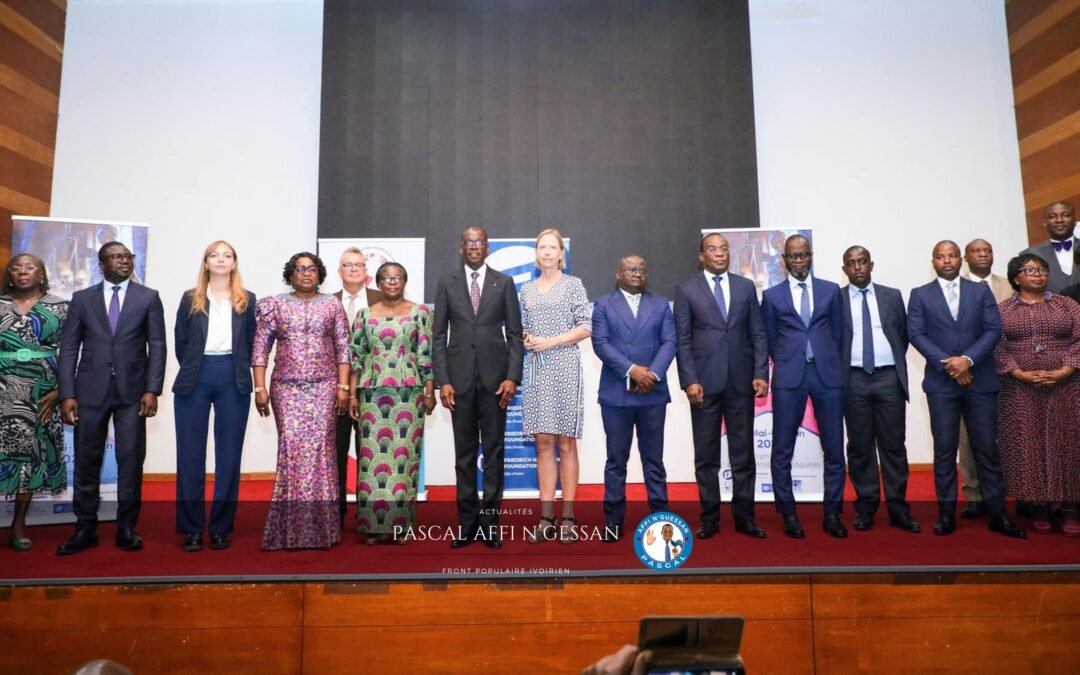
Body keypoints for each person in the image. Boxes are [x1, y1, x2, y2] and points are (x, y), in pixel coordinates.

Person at [907, 240, 1025, 539]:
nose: (946, 261)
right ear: (933, 262)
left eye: (951, 256)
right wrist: (950, 365)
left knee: (987, 450)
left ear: (960, 260)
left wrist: (967, 360)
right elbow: (916, 333)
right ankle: (946, 514)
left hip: (980, 381)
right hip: (941, 385)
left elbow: (992, 329)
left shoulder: (980, 291)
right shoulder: (920, 294)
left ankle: (998, 515)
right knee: (945, 452)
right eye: (940, 256)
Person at [57, 242, 166, 555]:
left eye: (128, 257)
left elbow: (157, 345)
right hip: (89, 391)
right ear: (102, 264)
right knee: (86, 462)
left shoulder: (148, 297)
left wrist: (152, 389)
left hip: (133, 393)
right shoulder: (82, 299)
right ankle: (85, 529)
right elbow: (69, 348)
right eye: (116, 257)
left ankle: (127, 528)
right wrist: (67, 393)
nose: (124, 261)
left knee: (130, 461)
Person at [252, 252, 351, 550]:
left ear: (320, 274)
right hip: (286, 388)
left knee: (322, 450)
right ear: (290, 275)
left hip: (325, 387)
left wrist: (343, 386)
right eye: (300, 269)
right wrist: (259, 387)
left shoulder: (332, 305)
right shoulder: (274, 305)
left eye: (312, 269)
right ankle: (290, 528)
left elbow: (343, 347)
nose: (306, 273)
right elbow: (260, 348)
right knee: (291, 449)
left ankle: (322, 529)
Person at [673, 234, 769, 540]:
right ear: (702, 256)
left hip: (741, 382)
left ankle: (745, 518)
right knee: (706, 457)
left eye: (724, 249)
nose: (719, 254)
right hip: (704, 385)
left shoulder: (745, 287)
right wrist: (689, 380)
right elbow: (683, 340)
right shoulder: (687, 290)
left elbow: (758, 333)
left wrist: (761, 372)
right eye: (712, 249)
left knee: (744, 455)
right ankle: (710, 518)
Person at [433, 227, 523, 549]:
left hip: (496, 383)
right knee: (464, 456)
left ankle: (490, 525)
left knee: (495, 452)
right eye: (469, 242)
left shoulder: (504, 282)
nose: (474, 247)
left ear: (487, 248)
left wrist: (512, 377)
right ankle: (468, 525)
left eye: (479, 242)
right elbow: (438, 336)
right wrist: (443, 380)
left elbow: (515, 334)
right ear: (462, 248)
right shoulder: (447, 283)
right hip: (458, 383)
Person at [172, 241, 257, 552]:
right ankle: (192, 528)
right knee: (190, 457)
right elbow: (181, 342)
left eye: (227, 255)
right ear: (205, 263)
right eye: (214, 255)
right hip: (195, 378)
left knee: (229, 457)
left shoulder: (247, 299)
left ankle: (221, 528)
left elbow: (251, 341)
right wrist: (195, 366)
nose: (220, 259)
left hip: (233, 379)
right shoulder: (189, 298)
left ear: (234, 263)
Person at [761, 235, 847, 539]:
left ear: (811, 256)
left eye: (803, 255)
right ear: (784, 260)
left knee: (834, 449)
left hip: (827, 377)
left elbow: (839, 334)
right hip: (789, 378)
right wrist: (787, 360)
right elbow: (770, 339)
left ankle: (832, 514)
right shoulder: (772, 296)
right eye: (793, 256)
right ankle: (788, 514)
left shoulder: (830, 290)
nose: (798, 260)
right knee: (782, 449)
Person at [591, 255, 677, 542]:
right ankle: (613, 522)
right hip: (617, 395)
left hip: (652, 393)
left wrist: (652, 374)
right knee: (616, 460)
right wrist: (632, 371)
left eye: (642, 269)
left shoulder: (660, 304)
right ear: (618, 274)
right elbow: (600, 344)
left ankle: (661, 520)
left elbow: (670, 342)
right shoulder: (603, 305)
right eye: (631, 269)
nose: (638, 273)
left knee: (654, 461)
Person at [994, 253, 1080, 536]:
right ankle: (1038, 505)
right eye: (1030, 270)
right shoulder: (1002, 310)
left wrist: (1064, 371)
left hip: (1066, 386)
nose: (1039, 274)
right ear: (1016, 278)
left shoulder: (1067, 305)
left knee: (1067, 442)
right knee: (1027, 444)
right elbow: (995, 345)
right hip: (1018, 389)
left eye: (1042, 269)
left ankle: (1070, 506)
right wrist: (1019, 373)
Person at [349, 262, 434, 544]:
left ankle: (401, 525)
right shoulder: (364, 315)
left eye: (398, 277)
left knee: (403, 460)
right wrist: (352, 394)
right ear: (378, 283)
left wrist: (430, 391)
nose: (392, 282)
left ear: (405, 281)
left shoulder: (420, 312)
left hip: (408, 393)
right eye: (386, 278)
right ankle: (373, 526)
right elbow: (356, 357)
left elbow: (426, 354)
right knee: (370, 460)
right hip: (371, 393)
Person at [838, 246, 919, 534]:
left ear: (871, 264)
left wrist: (886, 363)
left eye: (862, 261)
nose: (857, 267)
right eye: (851, 263)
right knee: (860, 447)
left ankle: (899, 510)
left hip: (888, 379)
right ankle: (866, 508)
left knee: (893, 445)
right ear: (844, 269)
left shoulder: (892, 295)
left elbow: (902, 336)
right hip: (853, 379)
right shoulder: (836, 299)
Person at [520, 228, 592, 543]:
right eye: (542, 247)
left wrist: (550, 341)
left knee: (566, 443)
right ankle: (546, 517)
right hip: (536, 369)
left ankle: (569, 517)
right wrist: (527, 339)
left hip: (565, 367)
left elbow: (586, 326)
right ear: (536, 253)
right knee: (543, 444)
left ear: (561, 253)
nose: (547, 252)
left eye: (553, 247)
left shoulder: (573, 284)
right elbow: (522, 328)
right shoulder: (526, 290)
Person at [0, 254, 68, 551]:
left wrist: (62, 389)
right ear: (9, 275)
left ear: (41, 274)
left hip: (43, 393)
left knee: (31, 455)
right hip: (3, 388)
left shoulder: (61, 307)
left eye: (29, 267)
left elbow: (74, 351)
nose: (22, 272)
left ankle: (18, 523)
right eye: (16, 268)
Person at [956, 239, 1013, 519]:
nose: (983, 255)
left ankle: (1011, 492)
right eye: (976, 251)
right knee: (968, 439)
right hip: (970, 371)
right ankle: (974, 495)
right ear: (965, 257)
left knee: (1009, 434)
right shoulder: (955, 287)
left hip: (1009, 370)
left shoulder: (1010, 285)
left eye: (987, 250)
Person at [332, 247, 382, 527]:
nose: (353, 269)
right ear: (339, 271)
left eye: (358, 265)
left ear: (366, 272)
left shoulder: (381, 300)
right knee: (335, 455)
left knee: (371, 456)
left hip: (372, 390)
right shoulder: (327, 302)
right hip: (335, 391)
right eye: (347, 265)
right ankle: (335, 515)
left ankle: (371, 515)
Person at [1023, 201, 1079, 293]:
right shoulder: (1030, 254)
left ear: (1075, 221)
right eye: (1052, 216)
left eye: (1066, 215)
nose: (1059, 220)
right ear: (1044, 223)